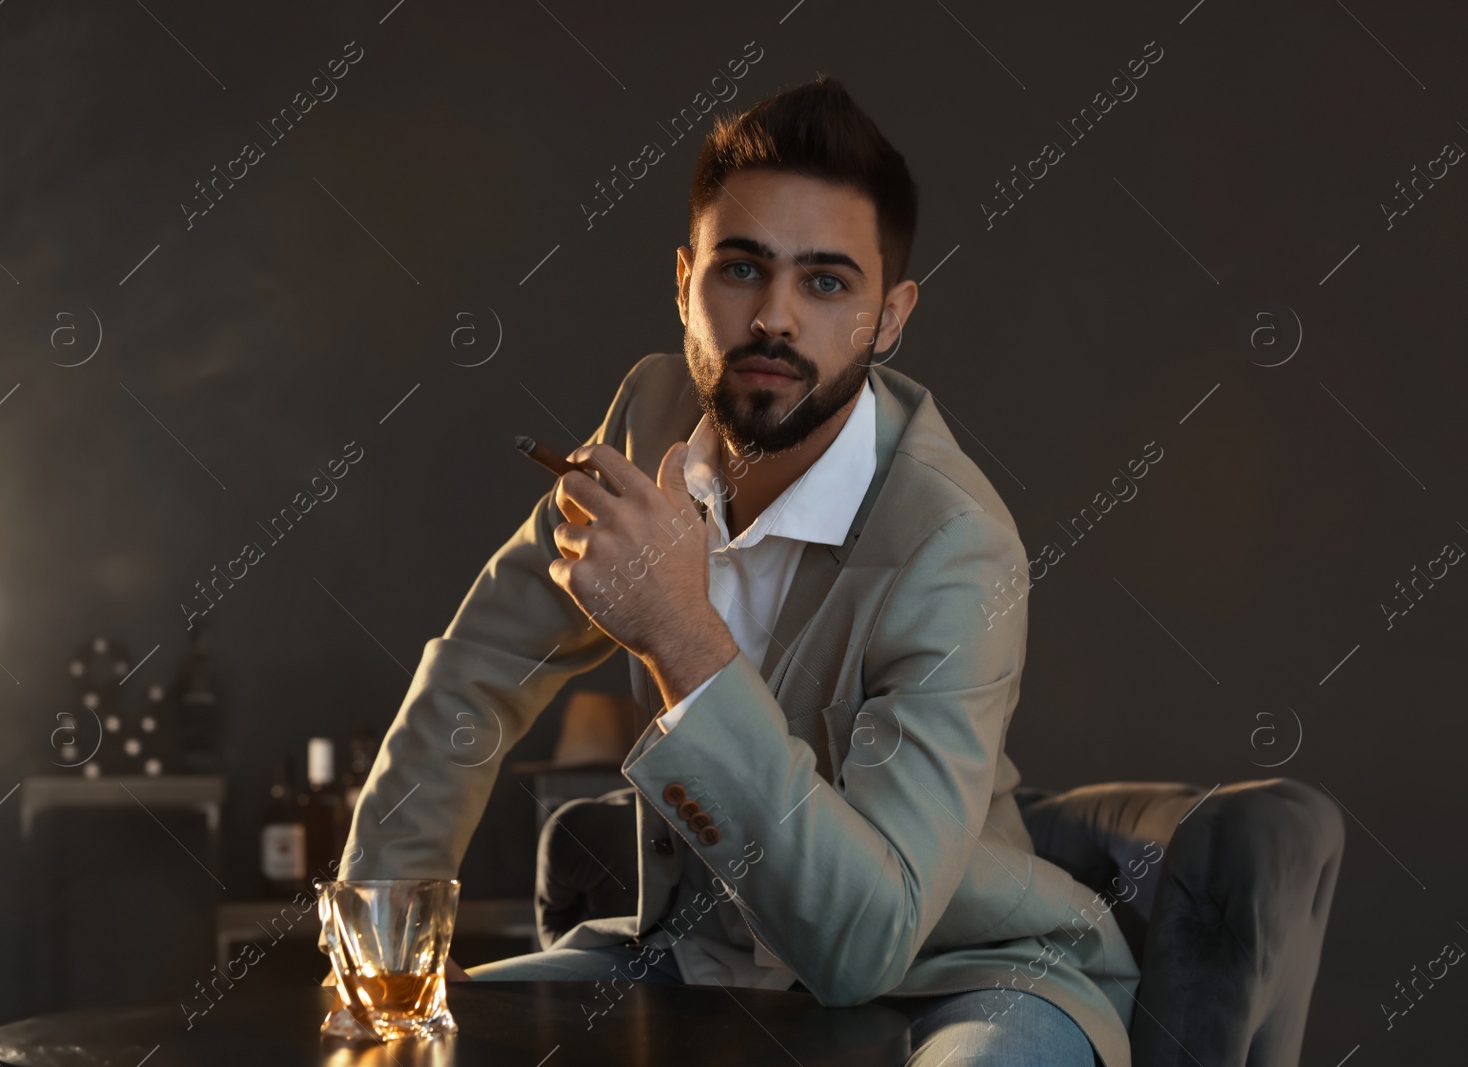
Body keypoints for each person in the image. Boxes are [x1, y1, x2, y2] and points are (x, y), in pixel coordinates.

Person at [341, 75, 1139, 1067]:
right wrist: (383, 945)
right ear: (684, 283)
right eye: (742, 269)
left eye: (826, 282)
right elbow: (478, 666)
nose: (774, 318)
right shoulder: (653, 411)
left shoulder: (955, 545)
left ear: (889, 318)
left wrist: (679, 634)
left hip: (956, 972)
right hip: (698, 957)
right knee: (415, 1045)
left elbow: (861, 943)